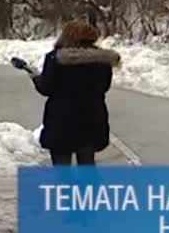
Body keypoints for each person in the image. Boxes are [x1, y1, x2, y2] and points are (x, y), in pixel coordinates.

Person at [30, 19, 121, 166]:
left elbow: (46, 88)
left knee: (62, 165)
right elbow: (104, 87)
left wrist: (35, 78)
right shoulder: (102, 61)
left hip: (61, 120)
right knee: (87, 163)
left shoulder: (56, 59)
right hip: (92, 118)